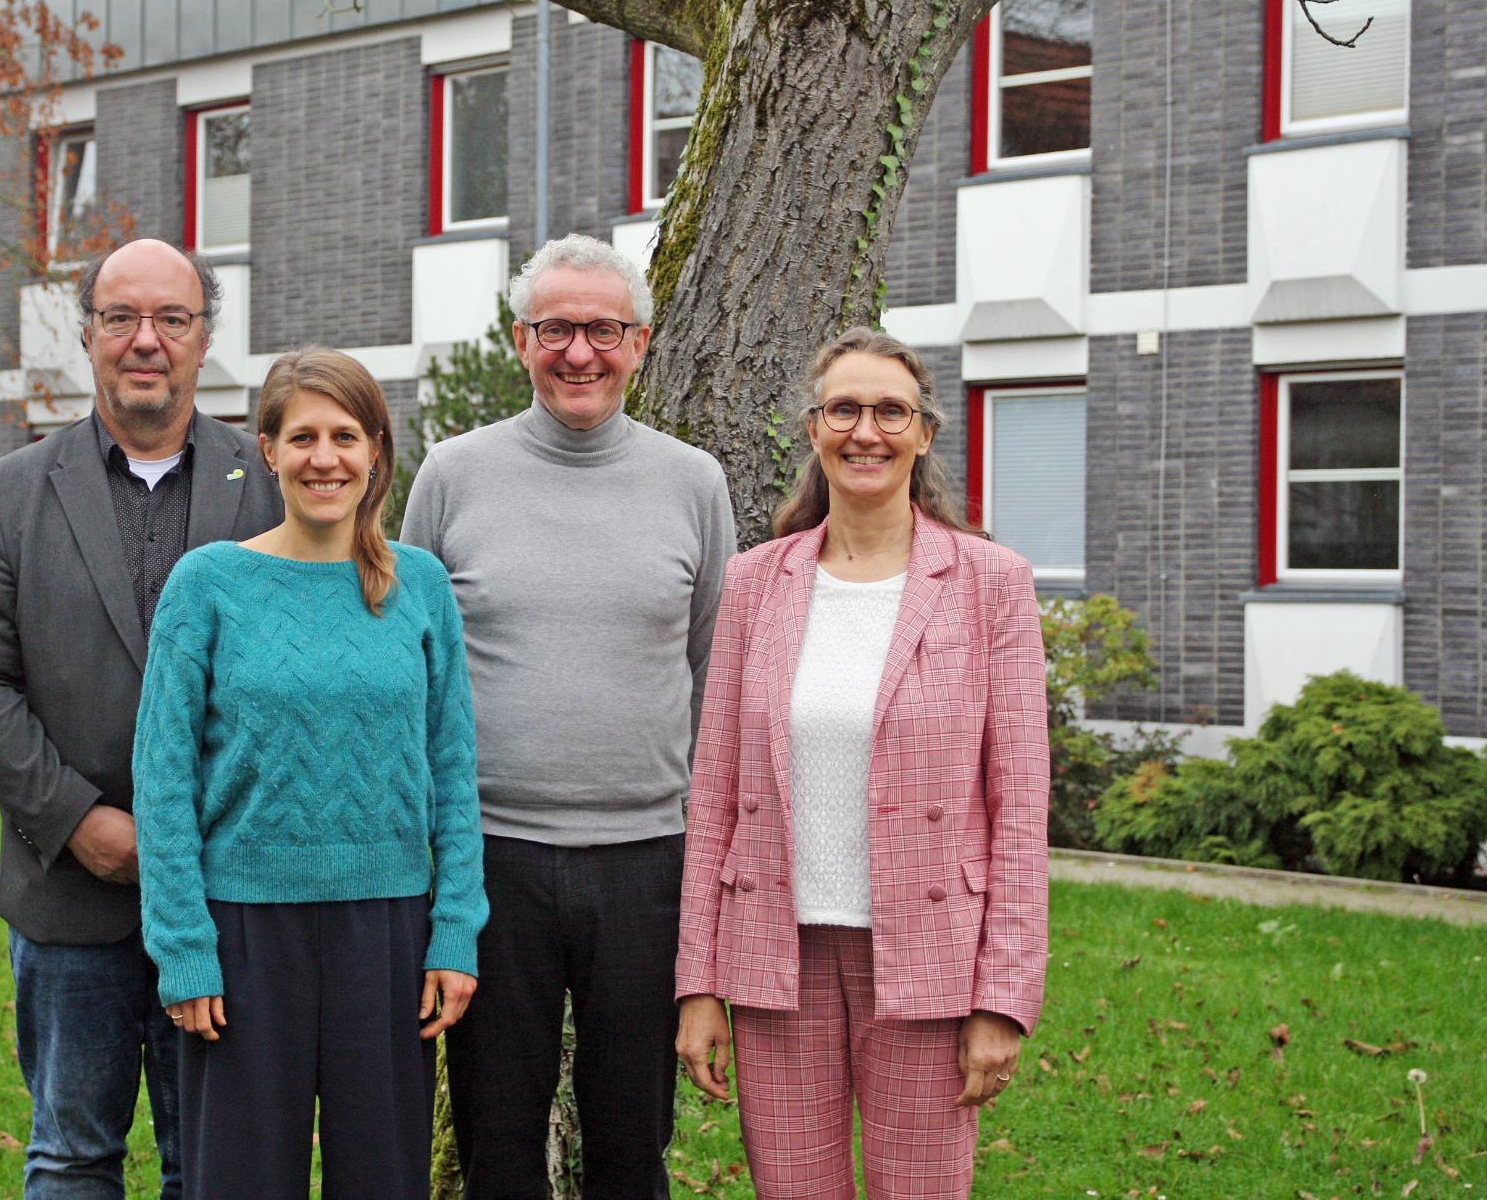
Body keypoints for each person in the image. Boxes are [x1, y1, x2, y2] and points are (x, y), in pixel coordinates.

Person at [0, 238, 282, 1198]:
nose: (146, 341)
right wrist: (76, 820)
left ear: (204, 338)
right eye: (121, 318)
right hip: (70, 895)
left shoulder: (268, 482)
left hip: (226, 892)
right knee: (71, 1156)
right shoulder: (7, 495)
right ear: (85, 335)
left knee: (207, 1162)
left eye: (171, 319)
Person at [672, 326, 1050, 1198]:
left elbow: (1021, 806)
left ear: (923, 434)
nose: (866, 431)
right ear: (814, 429)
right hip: (776, 956)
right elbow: (716, 790)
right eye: (845, 408)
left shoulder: (991, 583)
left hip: (930, 957)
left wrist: (1003, 996)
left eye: (891, 411)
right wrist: (699, 982)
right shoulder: (756, 582)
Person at [402, 232, 737, 1196]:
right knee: (496, 1142)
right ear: (520, 339)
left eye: (602, 329)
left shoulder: (693, 482)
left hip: (646, 858)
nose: (578, 352)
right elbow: (413, 665)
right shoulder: (453, 475)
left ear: (640, 342)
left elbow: (711, 671)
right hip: (488, 858)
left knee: (632, 1142)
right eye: (556, 329)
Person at [133, 347, 488, 1199]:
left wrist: (455, 930)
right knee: (243, 1179)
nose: (323, 457)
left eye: (344, 436)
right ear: (268, 449)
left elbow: (455, 765)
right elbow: (162, 778)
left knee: (384, 1177)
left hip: (390, 935)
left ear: (375, 450)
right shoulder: (209, 584)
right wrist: (182, 948)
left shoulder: (421, 585)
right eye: (302, 437)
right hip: (245, 934)